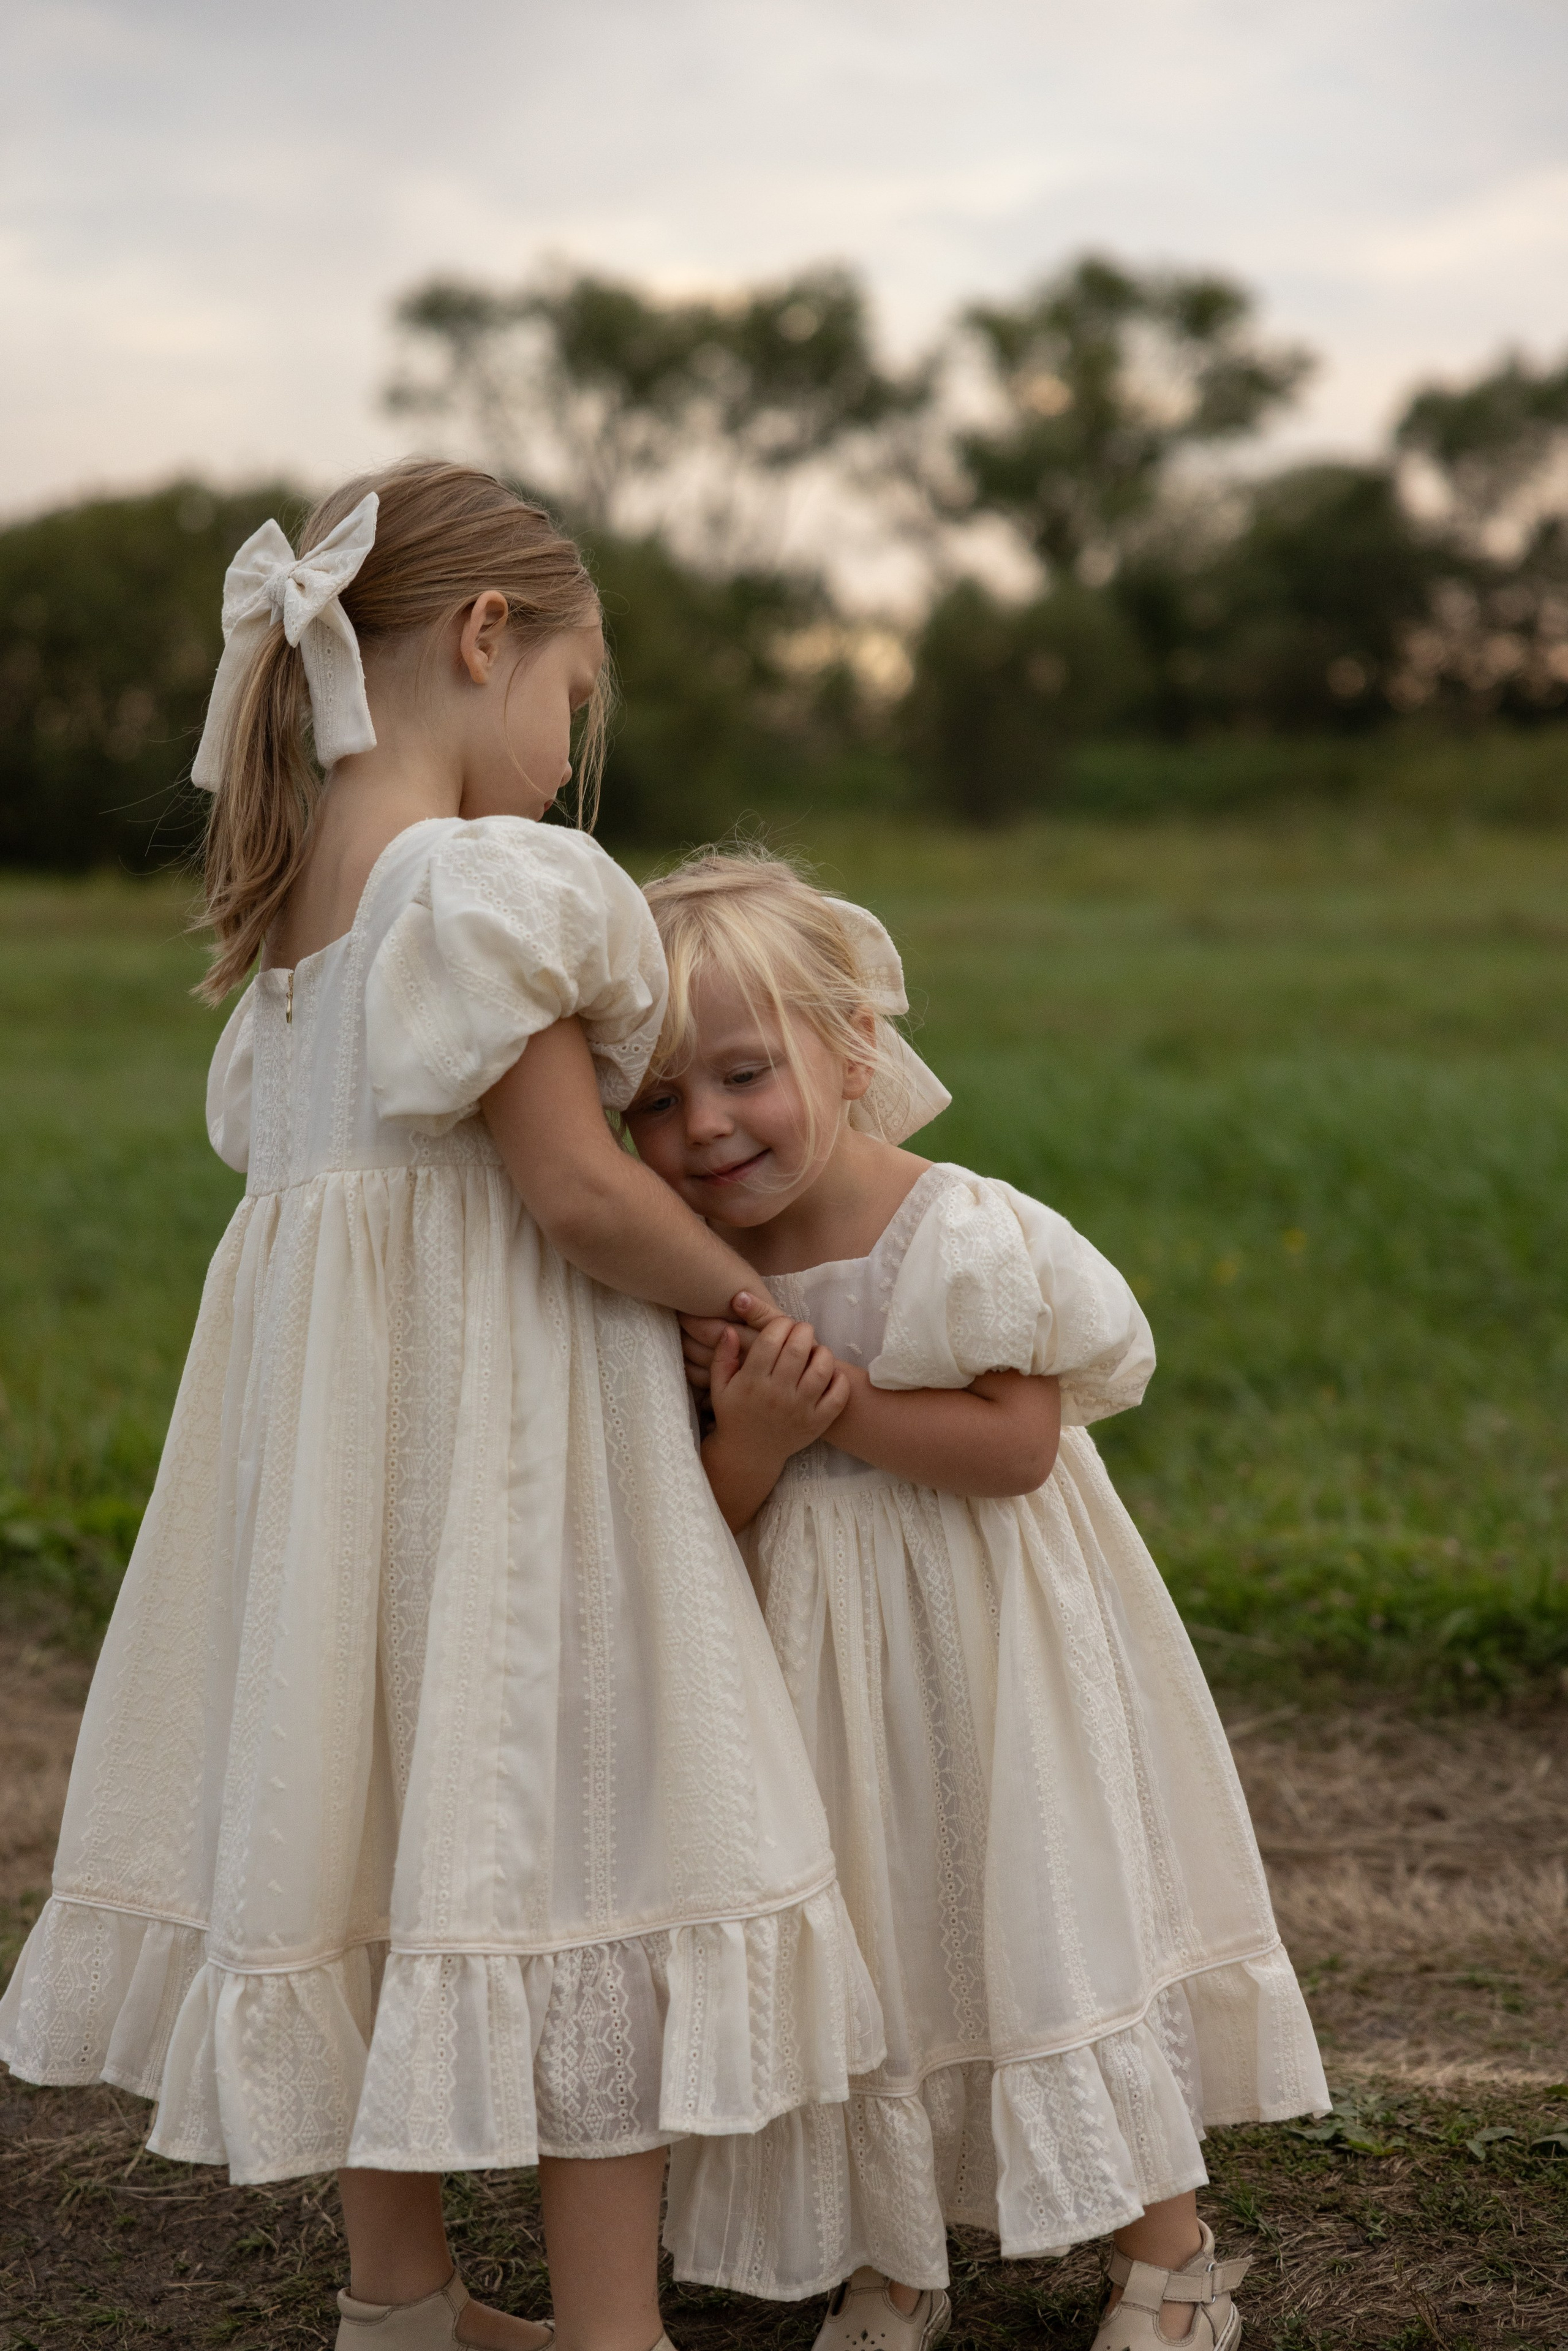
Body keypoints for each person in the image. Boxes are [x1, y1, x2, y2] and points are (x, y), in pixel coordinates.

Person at [0, 469, 880, 2351]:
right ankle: (609, 2327)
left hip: (335, 1479)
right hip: (503, 1457)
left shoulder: (291, 944)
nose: (568, 756)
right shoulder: (482, 882)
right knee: (591, 1828)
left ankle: (402, 2303)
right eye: (574, 699)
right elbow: (570, 1191)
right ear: (486, 640)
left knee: (373, 1825)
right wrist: (754, 1298)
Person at [625, 848, 1330, 2351]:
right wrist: (750, 1438)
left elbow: (1014, 1448)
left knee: (1038, 1916)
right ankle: (892, 2254)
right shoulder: (689, 1278)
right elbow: (703, 1518)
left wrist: (839, 1408)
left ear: (853, 1045)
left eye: (744, 1073)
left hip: (999, 1661)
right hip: (818, 1672)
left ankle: (1172, 2258)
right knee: (876, 1934)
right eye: (657, 1100)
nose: (704, 1127)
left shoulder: (957, 1232)